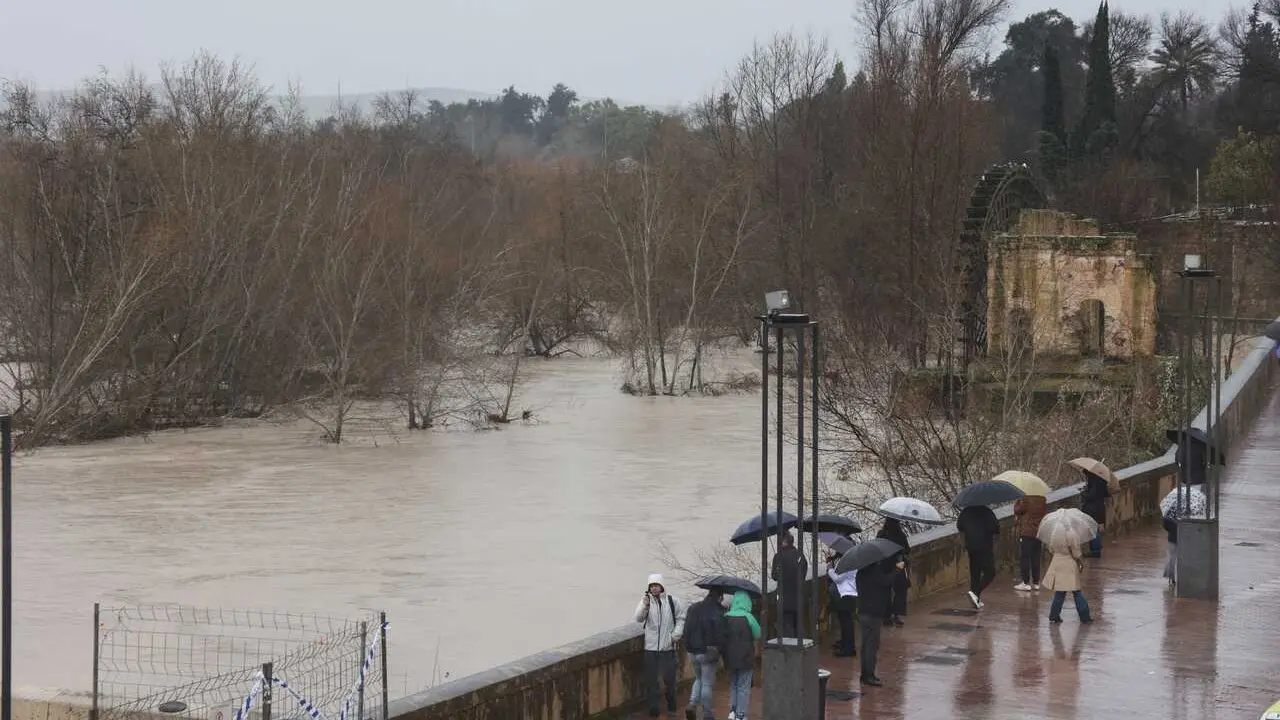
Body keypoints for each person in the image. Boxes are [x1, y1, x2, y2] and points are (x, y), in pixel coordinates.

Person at [634, 574, 686, 718]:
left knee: (670, 680)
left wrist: (675, 636)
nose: (654, 588)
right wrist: (644, 605)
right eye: (651, 586)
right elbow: (638, 618)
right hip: (650, 649)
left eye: (656, 585)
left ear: (662, 586)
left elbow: (681, 619)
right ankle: (654, 710)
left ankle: (672, 707)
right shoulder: (646, 602)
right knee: (652, 682)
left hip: (667, 649)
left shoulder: (672, 601)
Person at [682, 588, 727, 720]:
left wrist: (688, 646)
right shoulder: (717, 611)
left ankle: (692, 704)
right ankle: (707, 714)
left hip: (692, 650)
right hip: (708, 650)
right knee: (707, 683)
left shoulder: (693, 608)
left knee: (698, 678)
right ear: (720, 597)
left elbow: (686, 630)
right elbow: (720, 633)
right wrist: (720, 649)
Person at [856, 556, 900, 687]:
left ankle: (864, 674)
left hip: (863, 611)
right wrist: (897, 570)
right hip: (873, 613)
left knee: (865, 645)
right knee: (872, 645)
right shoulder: (874, 571)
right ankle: (869, 675)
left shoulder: (860, 572)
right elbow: (886, 581)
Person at [722, 590, 760, 720]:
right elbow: (758, 634)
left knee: (734, 684)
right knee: (744, 687)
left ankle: (732, 711)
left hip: (730, 657)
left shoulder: (726, 616)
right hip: (746, 657)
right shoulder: (749, 617)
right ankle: (741, 714)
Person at [956, 504, 1000, 609]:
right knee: (990, 573)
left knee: (975, 573)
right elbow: (995, 529)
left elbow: (960, 527)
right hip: (985, 546)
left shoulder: (965, 512)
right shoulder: (987, 512)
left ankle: (976, 599)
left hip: (971, 546)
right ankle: (975, 592)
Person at [1042, 541, 1093, 623]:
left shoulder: (1054, 534)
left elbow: (1050, 549)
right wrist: (1080, 561)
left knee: (1060, 592)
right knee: (1076, 591)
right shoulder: (1072, 535)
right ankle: (1085, 616)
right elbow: (1076, 553)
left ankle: (1054, 615)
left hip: (1057, 563)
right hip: (1070, 564)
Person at [771, 532, 808, 637]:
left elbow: (775, 576)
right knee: (798, 625)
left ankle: (789, 645)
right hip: (799, 596)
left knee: (787, 628)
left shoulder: (778, 556)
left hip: (785, 598)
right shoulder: (800, 555)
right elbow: (803, 573)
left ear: (784, 541)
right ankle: (799, 644)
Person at [876, 519, 910, 626]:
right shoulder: (900, 535)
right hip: (898, 565)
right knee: (900, 591)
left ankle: (886, 616)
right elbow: (907, 550)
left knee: (885, 592)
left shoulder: (881, 534)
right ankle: (896, 615)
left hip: (885, 566)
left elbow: (876, 548)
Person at [1013, 493, 1047, 590]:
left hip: (1026, 532)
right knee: (1036, 557)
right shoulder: (1042, 500)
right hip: (1038, 532)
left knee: (1025, 557)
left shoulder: (1025, 499)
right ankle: (1036, 582)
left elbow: (1018, 510)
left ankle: (1025, 582)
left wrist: (1017, 502)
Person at [826, 554, 858, 657]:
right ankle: (846, 645)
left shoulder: (848, 562)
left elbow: (838, 579)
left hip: (846, 595)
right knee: (846, 622)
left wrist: (830, 569)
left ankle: (848, 649)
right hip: (849, 594)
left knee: (846, 623)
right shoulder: (852, 561)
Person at [1079, 471, 1110, 558]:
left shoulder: (1094, 481)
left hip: (1093, 509)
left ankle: (1096, 551)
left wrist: (1082, 492)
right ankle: (1096, 549)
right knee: (1095, 529)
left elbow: (1091, 496)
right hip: (1099, 507)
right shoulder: (1101, 480)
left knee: (1093, 530)